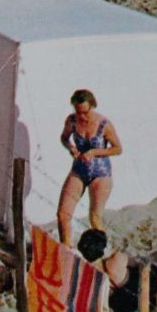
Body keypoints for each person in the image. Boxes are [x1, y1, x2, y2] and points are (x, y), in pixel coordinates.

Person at [56, 89, 122, 246]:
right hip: (79, 169)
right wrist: (70, 147)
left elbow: (117, 148)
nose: (82, 117)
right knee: (63, 214)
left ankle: (101, 253)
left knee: (95, 217)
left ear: (92, 106)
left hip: (101, 173)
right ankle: (66, 248)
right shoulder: (72, 121)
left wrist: (94, 152)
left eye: (85, 112)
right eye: (78, 112)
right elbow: (64, 138)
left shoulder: (104, 124)